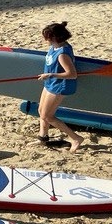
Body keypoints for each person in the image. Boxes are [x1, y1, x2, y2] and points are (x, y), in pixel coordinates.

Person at [35, 21, 84, 153]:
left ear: (54, 37)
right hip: (51, 82)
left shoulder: (62, 54)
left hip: (59, 85)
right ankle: (43, 138)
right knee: (41, 111)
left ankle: (76, 138)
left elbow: (72, 74)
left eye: (47, 37)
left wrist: (51, 75)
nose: (45, 40)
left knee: (48, 116)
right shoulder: (55, 46)